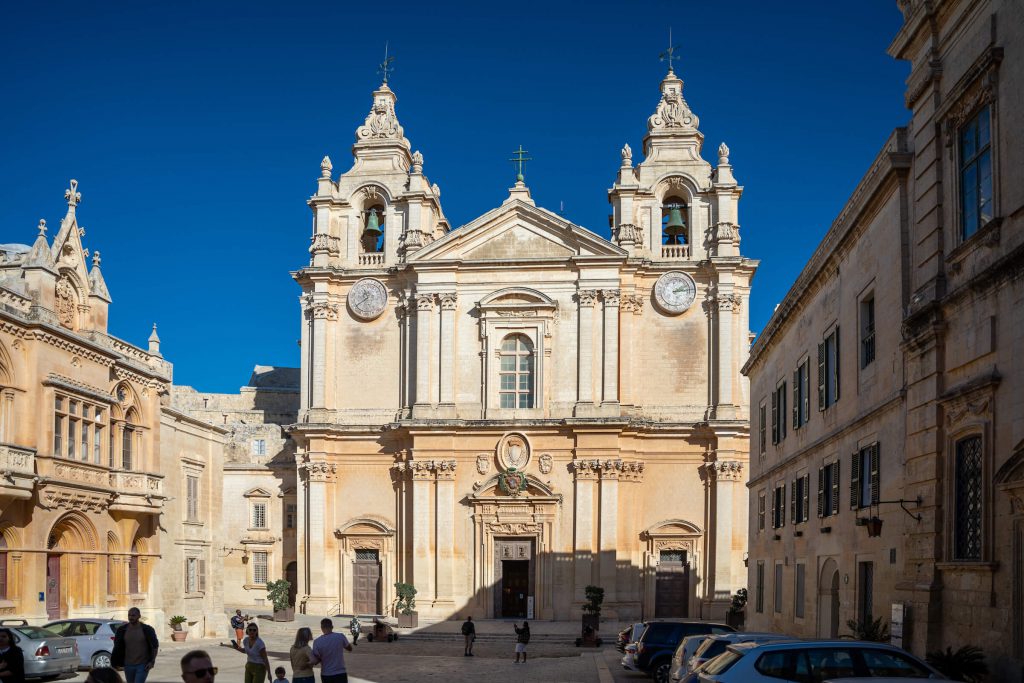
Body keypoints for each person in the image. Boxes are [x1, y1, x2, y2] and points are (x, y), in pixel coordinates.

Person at [111, 607, 159, 683]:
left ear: (139, 616)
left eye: (133, 615)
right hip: (128, 665)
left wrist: (152, 661)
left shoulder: (147, 630)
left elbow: (155, 646)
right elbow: (117, 646)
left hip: (142, 665)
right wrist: (115, 662)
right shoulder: (122, 630)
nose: (131, 617)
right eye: (129, 615)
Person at [309, 618, 353, 683]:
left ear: (321, 628)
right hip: (340, 673)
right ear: (332, 627)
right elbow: (350, 648)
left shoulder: (317, 642)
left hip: (326, 674)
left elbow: (316, 660)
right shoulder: (340, 636)